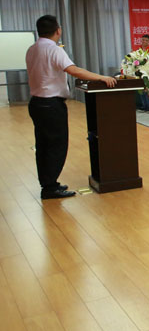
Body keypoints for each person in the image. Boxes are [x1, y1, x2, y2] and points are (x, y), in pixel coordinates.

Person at [25, 15, 117, 200]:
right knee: (56, 146)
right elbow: (73, 70)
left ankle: (48, 183)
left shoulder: (32, 49)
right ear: (58, 30)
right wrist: (101, 77)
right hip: (51, 105)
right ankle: (50, 187)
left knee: (43, 145)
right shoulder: (54, 49)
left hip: (36, 103)